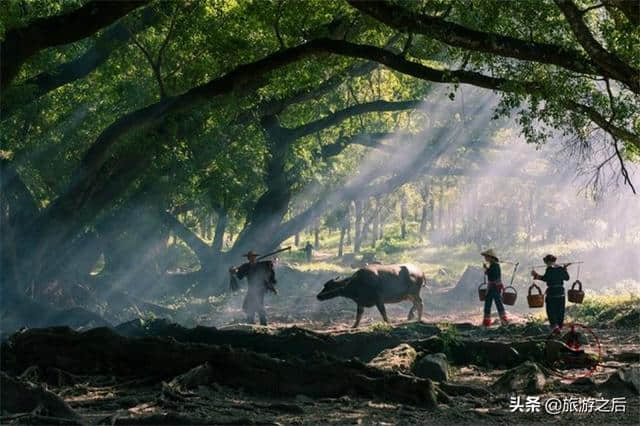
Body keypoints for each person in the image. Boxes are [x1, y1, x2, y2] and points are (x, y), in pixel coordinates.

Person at [229, 250, 277, 325]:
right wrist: (233, 270)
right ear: (248, 258)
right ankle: (250, 321)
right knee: (249, 305)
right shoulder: (246, 267)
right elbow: (239, 275)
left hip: (260, 288)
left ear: (255, 257)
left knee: (258, 305)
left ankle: (263, 322)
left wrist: (271, 263)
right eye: (249, 257)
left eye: (253, 257)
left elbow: (269, 266)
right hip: (251, 289)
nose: (251, 258)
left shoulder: (261, 265)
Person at [531, 254, 570, 333]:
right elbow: (567, 278)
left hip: (552, 293)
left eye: (546, 262)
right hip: (560, 292)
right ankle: (559, 327)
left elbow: (546, 278)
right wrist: (565, 268)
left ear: (548, 261)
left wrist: (536, 275)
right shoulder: (560, 268)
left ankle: (555, 327)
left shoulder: (549, 269)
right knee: (560, 310)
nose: (546, 264)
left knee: (551, 310)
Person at [481, 249, 508, 326]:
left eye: (486, 257)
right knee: (488, 303)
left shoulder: (495, 265)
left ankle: (504, 320)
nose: (485, 258)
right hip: (492, 287)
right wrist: (487, 269)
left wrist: (486, 269)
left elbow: (492, 276)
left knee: (498, 303)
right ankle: (486, 321)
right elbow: (490, 274)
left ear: (490, 257)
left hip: (495, 287)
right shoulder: (493, 265)